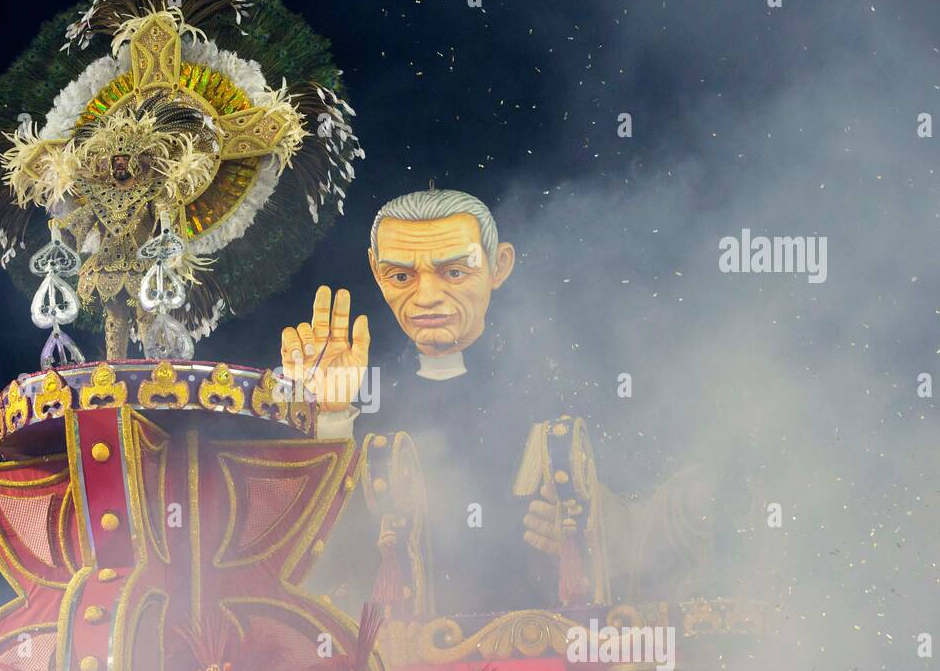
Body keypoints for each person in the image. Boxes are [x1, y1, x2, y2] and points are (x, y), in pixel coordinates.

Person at [279, 187, 714, 614]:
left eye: (453, 272)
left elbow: (659, 527)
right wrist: (329, 416)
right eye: (401, 276)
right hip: (402, 668)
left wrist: (590, 524)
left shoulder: (563, 384)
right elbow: (316, 559)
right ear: (376, 270)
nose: (426, 297)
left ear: (498, 266)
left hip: (549, 658)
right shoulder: (366, 398)